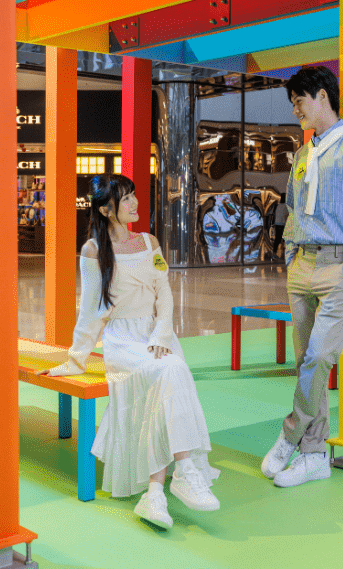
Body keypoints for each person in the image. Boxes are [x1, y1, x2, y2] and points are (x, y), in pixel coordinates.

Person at [40, 174, 219, 529]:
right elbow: (91, 311)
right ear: (106, 210)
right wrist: (75, 360)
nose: (135, 202)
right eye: (126, 199)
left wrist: (162, 333)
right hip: (123, 341)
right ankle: (182, 471)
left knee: (169, 371)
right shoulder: (93, 251)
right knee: (170, 372)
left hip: (156, 335)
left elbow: (164, 292)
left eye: (134, 194)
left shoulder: (149, 242)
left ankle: (155, 492)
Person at [261, 66, 343, 488]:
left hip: (339, 265)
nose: (295, 109)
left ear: (321, 96)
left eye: (299, 101)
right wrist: (291, 255)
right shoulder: (303, 154)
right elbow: (293, 208)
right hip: (302, 265)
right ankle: (315, 456)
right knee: (306, 364)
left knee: (318, 358)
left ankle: (290, 434)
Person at [273, 193, 289, 259]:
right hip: (283, 224)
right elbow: (286, 215)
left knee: (277, 239)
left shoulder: (278, 206)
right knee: (285, 239)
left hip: (277, 224)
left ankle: (274, 253)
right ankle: (285, 253)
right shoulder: (286, 206)